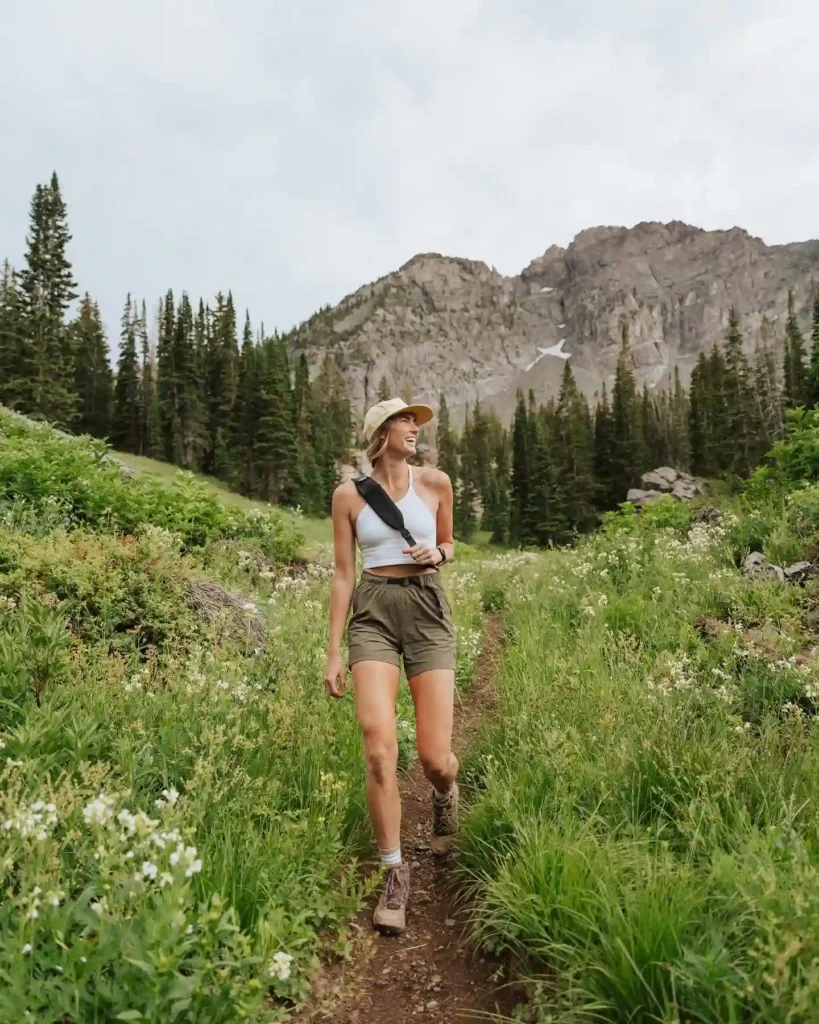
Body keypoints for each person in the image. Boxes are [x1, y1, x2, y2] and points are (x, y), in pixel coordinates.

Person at [324, 397, 459, 935]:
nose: (415, 430)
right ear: (382, 432)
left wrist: (440, 555)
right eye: (406, 421)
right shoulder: (347, 497)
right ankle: (394, 874)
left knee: (434, 758)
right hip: (372, 613)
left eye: (416, 423)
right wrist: (333, 650)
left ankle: (447, 793)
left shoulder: (436, 483)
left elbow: (450, 542)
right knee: (379, 747)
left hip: (427, 610)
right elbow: (341, 573)